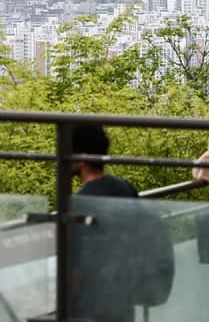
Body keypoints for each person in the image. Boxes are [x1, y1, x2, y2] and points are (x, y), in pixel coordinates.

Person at [69, 124, 138, 322]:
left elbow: (76, 265)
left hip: (93, 304)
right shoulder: (126, 188)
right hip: (123, 297)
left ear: (82, 157)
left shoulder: (80, 202)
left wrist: (69, 305)